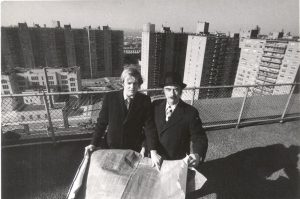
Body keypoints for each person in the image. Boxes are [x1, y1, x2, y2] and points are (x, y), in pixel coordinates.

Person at [85, 67, 162, 169]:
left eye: (135, 84)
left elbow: (149, 127)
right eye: (129, 83)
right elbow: (101, 123)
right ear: (123, 83)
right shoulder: (110, 98)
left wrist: (153, 151)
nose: (132, 87)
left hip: (132, 149)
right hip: (111, 146)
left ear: (139, 85)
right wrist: (93, 143)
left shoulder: (145, 100)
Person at [152, 72, 208, 168]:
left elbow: (199, 137)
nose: (172, 94)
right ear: (163, 91)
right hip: (155, 159)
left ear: (181, 91)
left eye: (176, 89)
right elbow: (148, 129)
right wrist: (147, 148)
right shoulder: (155, 106)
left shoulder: (190, 112)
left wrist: (197, 155)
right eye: (168, 89)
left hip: (176, 162)